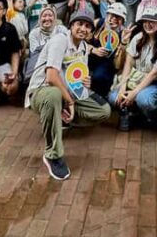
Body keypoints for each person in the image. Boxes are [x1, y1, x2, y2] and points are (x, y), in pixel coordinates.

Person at [25, 13, 111, 181]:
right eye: (79, 24)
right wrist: (70, 101)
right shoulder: (60, 40)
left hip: (67, 92)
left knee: (104, 110)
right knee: (54, 95)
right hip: (42, 91)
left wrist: (86, 81)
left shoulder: (84, 47)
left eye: (87, 27)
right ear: (71, 26)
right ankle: (52, 154)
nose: (83, 29)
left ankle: (60, 119)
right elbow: (51, 76)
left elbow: (76, 76)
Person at [108, 8, 157, 129]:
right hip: (134, 78)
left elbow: (153, 74)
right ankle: (127, 114)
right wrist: (122, 87)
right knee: (114, 97)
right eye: (145, 21)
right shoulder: (138, 38)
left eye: (152, 21)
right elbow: (128, 64)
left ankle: (150, 116)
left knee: (144, 100)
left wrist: (134, 93)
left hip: (152, 82)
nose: (148, 24)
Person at [88, 2, 132, 99]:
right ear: (107, 14)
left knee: (100, 77)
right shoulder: (98, 23)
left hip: (107, 64)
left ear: (123, 21)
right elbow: (82, 42)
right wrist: (93, 50)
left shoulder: (123, 34)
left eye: (118, 17)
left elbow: (117, 65)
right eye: (112, 15)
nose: (114, 19)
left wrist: (123, 43)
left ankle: (99, 100)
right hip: (90, 56)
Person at [24, 5, 68, 83]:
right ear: (40, 19)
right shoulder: (34, 33)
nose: (47, 18)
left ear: (55, 18)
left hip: (59, 61)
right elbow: (35, 53)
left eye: (50, 15)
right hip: (39, 62)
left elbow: (67, 48)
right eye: (44, 16)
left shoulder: (62, 29)